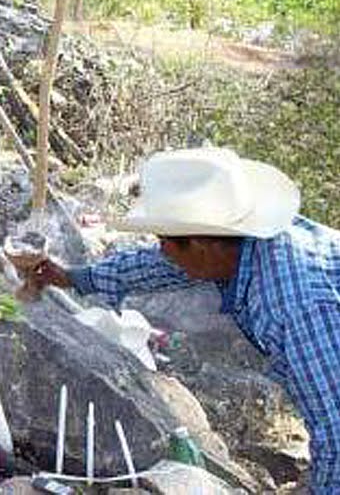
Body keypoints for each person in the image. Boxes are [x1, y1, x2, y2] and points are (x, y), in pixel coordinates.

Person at [34, 147, 340, 493]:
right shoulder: (238, 246)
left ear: (200, 244)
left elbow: (336, 430)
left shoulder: (292, 303)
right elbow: (159, 265)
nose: (161, 250)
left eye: (164, 241)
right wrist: (75, 277)